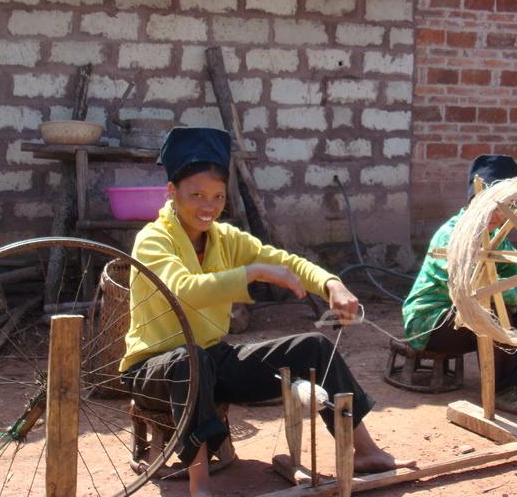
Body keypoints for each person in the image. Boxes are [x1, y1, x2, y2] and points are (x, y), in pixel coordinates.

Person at [119, 127, 413, 496]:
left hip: (212, 358)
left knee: (313, 347)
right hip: (155, 370)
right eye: (195, 195)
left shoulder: (225, 238)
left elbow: (284, 261)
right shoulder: (153, 240)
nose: (208, 206)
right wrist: (252, 273)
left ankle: (363, 451)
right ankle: (200, 484)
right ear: (171, 193)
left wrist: (332, 284)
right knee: (189, 360)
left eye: (217, 196)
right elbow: (184, 292)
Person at [402, 154, 517, 418]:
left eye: (505, 207)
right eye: (491, 206)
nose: (498, 214)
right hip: (431, 322)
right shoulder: (452, 235)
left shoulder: (496, 236)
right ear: (474, 201)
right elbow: (469, 289)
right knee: (489, 307)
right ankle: (501, 388)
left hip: (462, 316)